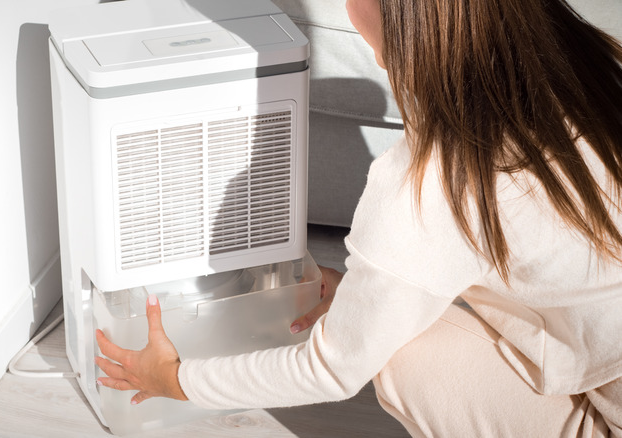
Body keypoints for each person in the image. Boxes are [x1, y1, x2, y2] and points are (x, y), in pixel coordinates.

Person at [94, 0, 622, 435]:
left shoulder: (436, 181)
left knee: (400, 355)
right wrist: (371, 291)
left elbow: (332, 368)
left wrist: (175, 379)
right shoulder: (597, 59)